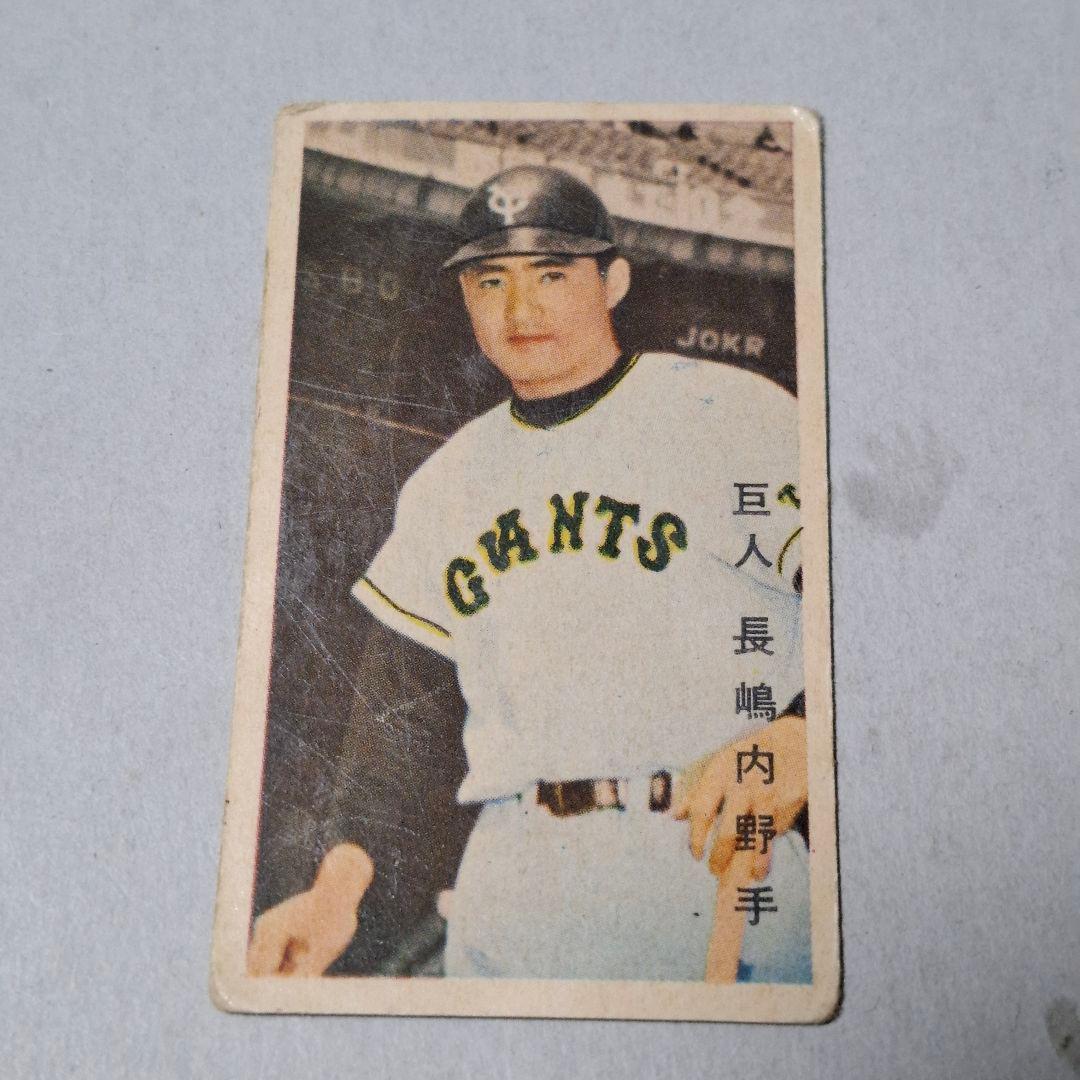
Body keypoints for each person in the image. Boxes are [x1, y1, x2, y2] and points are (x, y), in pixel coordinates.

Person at [248, 165, 812, 983]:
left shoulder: (735, 414)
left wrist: (805, 734)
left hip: (707, 852)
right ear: (465, 297)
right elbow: (397, 738)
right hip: (516, 872)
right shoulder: (446, 483)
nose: (520, 310)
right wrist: (336, 895)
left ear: (613, 282)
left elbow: (878, 603)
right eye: (491, 281)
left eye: (551, 275)